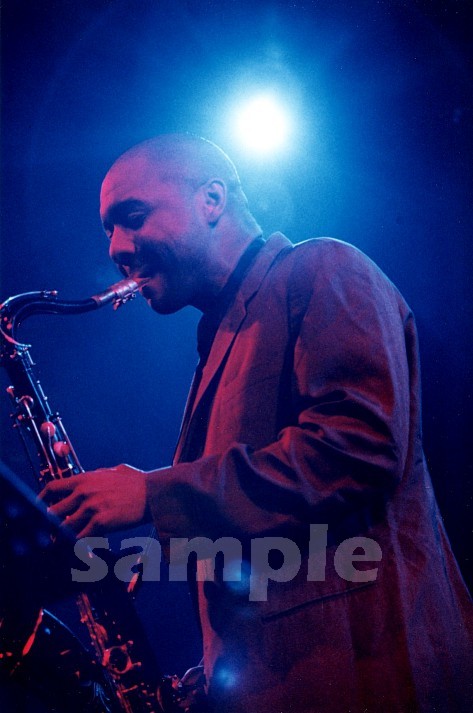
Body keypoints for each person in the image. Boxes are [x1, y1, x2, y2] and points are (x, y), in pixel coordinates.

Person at [41, 134, 473, 713]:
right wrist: (212, 681)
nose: (117, 246)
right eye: (108, 230)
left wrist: (151, 494)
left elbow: (357, 448)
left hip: (370, 678)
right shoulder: (221, 338)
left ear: (212, 199)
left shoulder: (322, 266)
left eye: (133, 217)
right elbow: (265, 561)